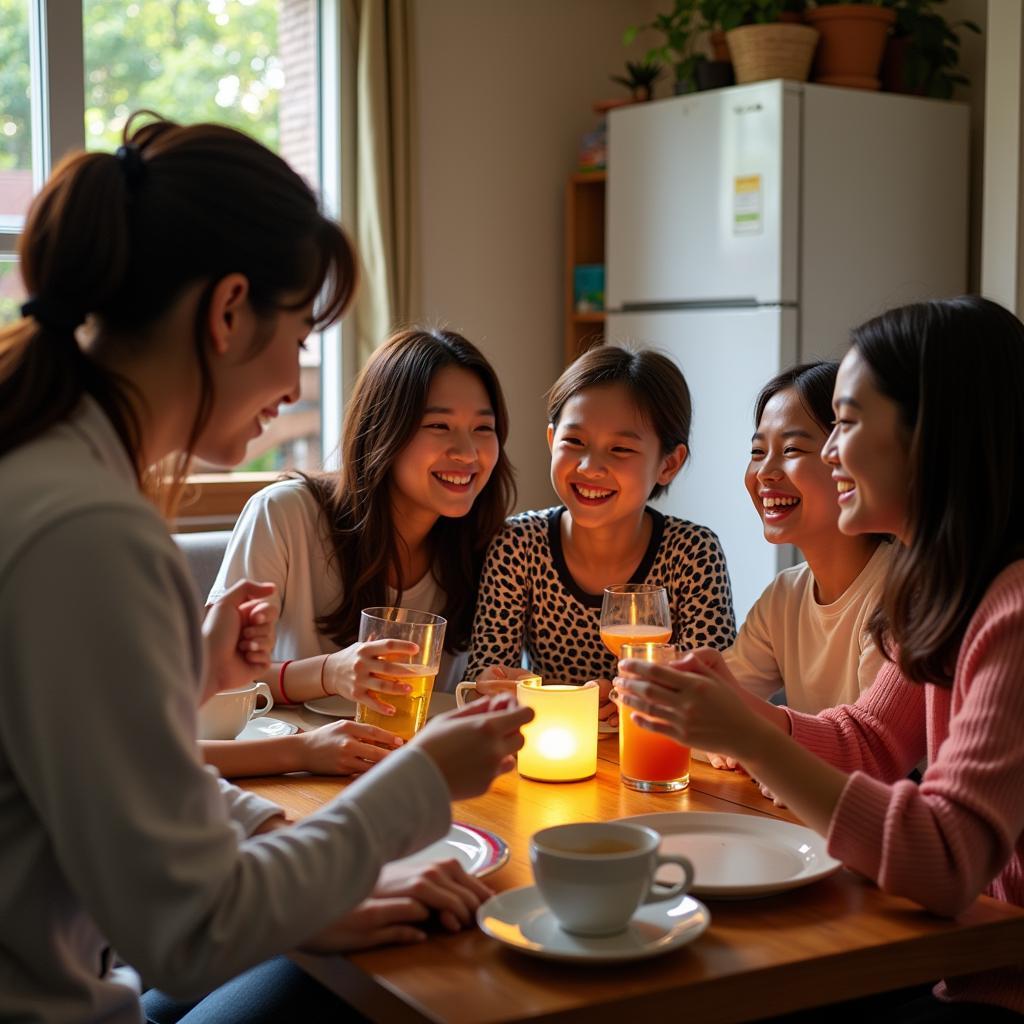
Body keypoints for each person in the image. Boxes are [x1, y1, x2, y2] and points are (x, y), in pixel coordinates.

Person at [0, 114, 531, 1024]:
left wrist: (297, 862)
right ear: (228, 310)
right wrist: (416, 786)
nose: (295, 380)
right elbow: (190, 925)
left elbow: (124, 784)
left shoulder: (45, 473)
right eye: (299, 334)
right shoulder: (92, 532)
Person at [618, 296, 1024, 1021]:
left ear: (933, 433)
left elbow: (947, 861)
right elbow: (867, 741)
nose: (831, 451)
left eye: (846, 423)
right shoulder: (944, 587)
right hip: (957, 956)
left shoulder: (1014, 610)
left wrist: (749, 737)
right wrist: (744, 714)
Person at [206, 327, 516, 778]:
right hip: (291, 776)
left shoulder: (490, 544)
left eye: (483, 429)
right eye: (439, 426)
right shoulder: (284, 514)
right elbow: (217, 682)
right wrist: (331, 671)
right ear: (384, 428)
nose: (467, 452)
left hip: (418, 774)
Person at [468, 345, 736, 714]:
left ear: (669, 464)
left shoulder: (692, 553)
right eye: (574, 441)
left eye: (621, 449)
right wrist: (495, 685)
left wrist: (635, 699)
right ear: (551, 441)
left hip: (653, 756)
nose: (590, 467)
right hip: (548, 747)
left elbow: (714, 694)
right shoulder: (518, 545)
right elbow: (484, 673)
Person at [706, 361, 889, 772]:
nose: (765, 473)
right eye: (757, 452)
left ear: (849, 459)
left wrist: (746, 738)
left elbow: (875, 757)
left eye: (791, 450)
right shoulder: (785, 596)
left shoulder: (897, 595)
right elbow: (716, 710)